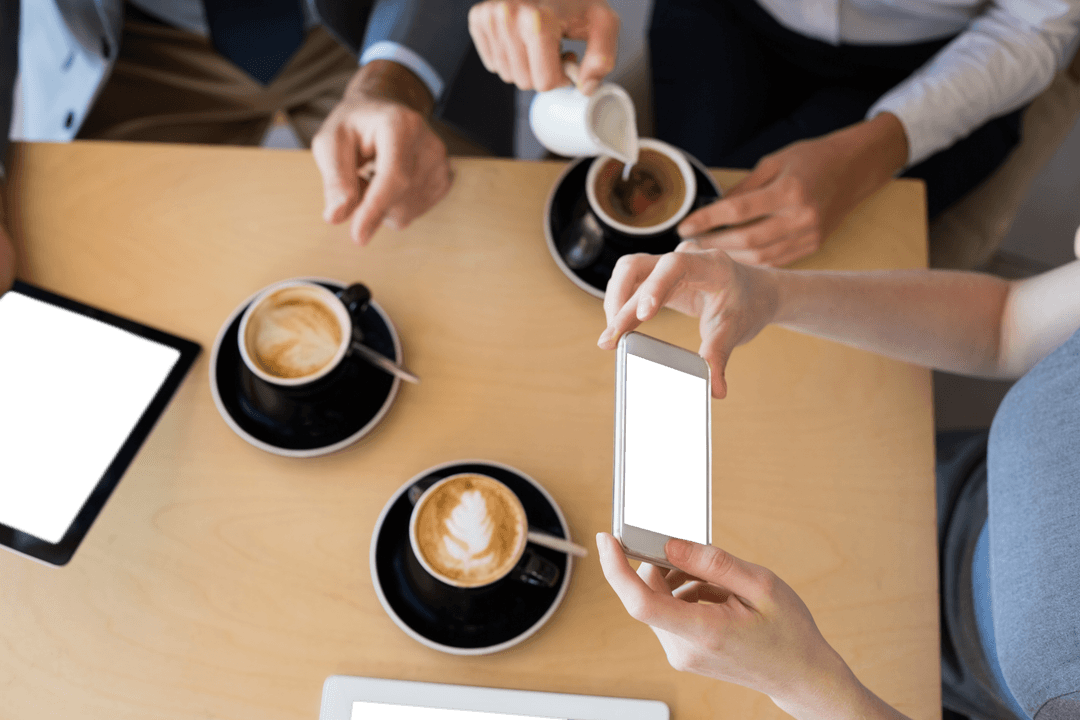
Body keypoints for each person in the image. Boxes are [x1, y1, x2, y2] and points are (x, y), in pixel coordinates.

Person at [591, 225, 1080, 719]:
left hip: (916, 684)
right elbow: (1006, 326)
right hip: (947, 488)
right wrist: (770, 293)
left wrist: (802, 682)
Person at [468, 0, 1080, 268]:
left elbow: (1038, 23)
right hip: (733, 14)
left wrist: (880, 149)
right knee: (702, 217)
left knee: (770, 258)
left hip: (934, 59)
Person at [0, 0, 512, 295]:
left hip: (362, 24)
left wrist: (398, 77)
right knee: (80, 281)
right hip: (137, 43)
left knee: (485, 243)